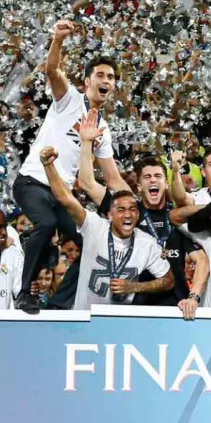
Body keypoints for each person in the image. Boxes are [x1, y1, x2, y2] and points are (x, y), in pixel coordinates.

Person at [12, 19, 128, 313]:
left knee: (90, 242)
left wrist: (133, 204)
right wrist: (58, 39)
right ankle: (24, 293)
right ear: (87, 82)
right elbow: (52, 70)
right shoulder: (69, 100)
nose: (105, 80)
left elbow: (113, 178)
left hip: (61, 195)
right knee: (46, 224)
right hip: (32, 182)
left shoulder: (102, 128)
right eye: (100, 75)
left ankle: (60, 302)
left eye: (111, 77)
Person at [39, 146, 174, 310]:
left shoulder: (147, 243)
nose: (127, 215)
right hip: (86, 318)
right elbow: (66, 199)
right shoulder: (94, 227)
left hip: (120, 321)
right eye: (121, 210)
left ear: (138, 215)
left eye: (132, 209)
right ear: (110, 215)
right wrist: (48, 166)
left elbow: (168, 281)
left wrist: (134, 287)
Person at [76, 114, 188, 306]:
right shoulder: (127, 210)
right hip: (136, 307)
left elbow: (201, 258)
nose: (153, 180)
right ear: (138, 186)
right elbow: (87, 183)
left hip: (175, 306)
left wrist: (193, 297)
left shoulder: (178, 217)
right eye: (147, 177)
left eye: (158, 176)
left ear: (166, 184)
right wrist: (86, 143)